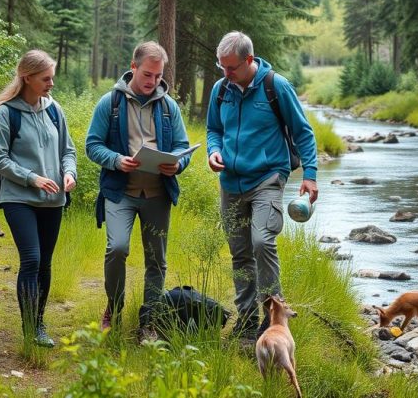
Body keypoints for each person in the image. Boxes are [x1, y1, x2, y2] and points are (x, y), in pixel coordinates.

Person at [205, 31, 319, 344]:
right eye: (221, 67)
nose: (226, 74)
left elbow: (303, 132)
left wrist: (310, 174)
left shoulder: (275, 86)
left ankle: (274, 316)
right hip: (230, 181)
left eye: (231, 68)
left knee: (262, 240)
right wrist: (213, 151)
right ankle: (246, 319)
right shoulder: (220, 90)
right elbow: (214, 129)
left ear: (249, 60)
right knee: (240, 253)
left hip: (268, 178)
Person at [86, 41, 193, 342]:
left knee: (156, 260)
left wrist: (178, 164)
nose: (153, 81)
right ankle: (113, 308)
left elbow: (183, 147)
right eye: (148, 74)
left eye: (158, 76)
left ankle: (150, 321)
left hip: (158, 195)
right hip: (120, 193)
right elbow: (92, 145)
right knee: (117, 248)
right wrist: (117, 160)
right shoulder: (111, 103)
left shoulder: (169, 107)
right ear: (133, 67)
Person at [0, 49, 77, 348]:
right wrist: (31, 177)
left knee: (45, 264)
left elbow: (68, 150)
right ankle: (31, 329)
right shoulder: (6, 113)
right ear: (27, 78)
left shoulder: (54, 109)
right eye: (46, 78)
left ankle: (39, 321)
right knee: (32, 259)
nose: (51, 83)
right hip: (18, 197)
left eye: (52, 77)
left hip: (53, 200)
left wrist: (69, 173)